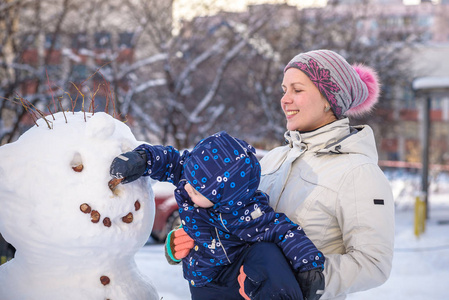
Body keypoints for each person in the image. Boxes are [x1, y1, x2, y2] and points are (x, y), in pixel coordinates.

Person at [162, 49, 395, 300]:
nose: (285, 99)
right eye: (284, 90)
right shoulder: (273, 159)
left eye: (297, 90)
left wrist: (289, 277)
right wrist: (189, 242)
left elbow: (373, 263)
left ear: (329, 98)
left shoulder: (358, 172)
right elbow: (238, 220)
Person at [110, 131, 325, 300]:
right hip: (203, 281)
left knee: (266, 252)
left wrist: (309, 264)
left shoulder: (248, 213)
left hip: (236, 274)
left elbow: (283, 230)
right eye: (189, 182)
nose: (188, 188)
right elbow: (169, 160)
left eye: (197, 190)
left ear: (225, 197)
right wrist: (142, 158)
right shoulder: (192, 176)